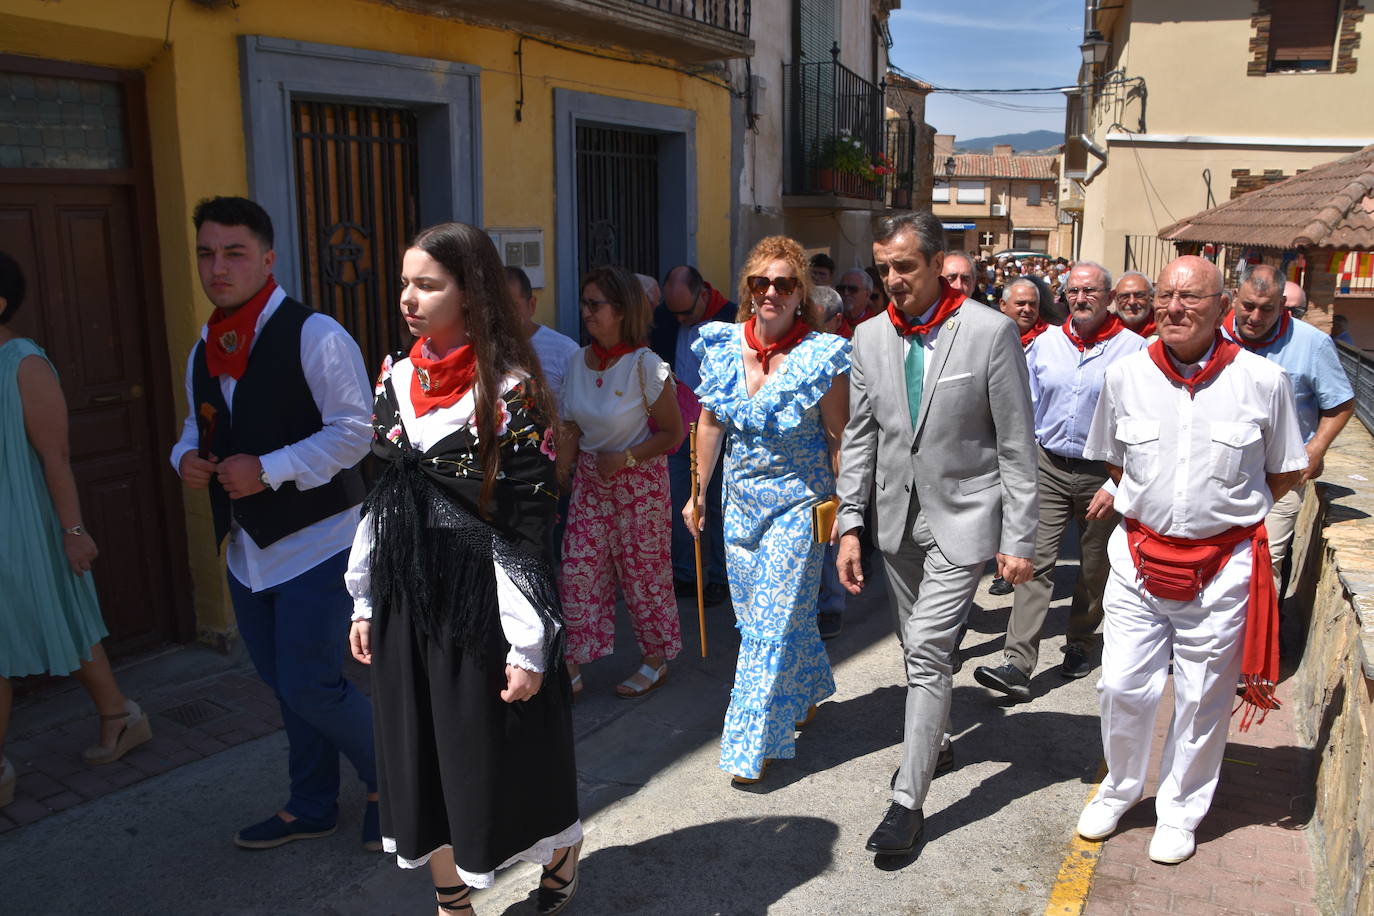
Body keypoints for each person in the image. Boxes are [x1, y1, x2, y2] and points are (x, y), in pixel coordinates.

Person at [346, 222, 581, 916]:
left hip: (480, 599)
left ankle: (560, 851)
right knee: (417, 752)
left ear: (471, 295)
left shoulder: (514, 394)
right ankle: (451, 901)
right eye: (404, 284)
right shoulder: (394, 375)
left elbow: (526, 527)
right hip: (403, 593)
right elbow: (382, 495)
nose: (408, 299)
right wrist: (362, 599)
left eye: (427, 285)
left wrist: (529, 642)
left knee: (493, 751)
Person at [1076, 255, 1306, 865]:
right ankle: (1121, 787)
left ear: (1221, 303)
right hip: (1137, 560)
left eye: (1190, 298)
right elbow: (1114, 461)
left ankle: (1179, 810)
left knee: (1204, 697)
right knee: (1122, 686)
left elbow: (1283, 471)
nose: (1173, 308)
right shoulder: (1125, 376)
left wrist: (1218, 520)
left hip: (1222, 570)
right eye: (1166, 297)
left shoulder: (1263, 381)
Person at [169, 196, 379, 850]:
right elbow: (192, 427)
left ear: (267, 258)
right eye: (206, 253)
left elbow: (356, 434)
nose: (217, 266)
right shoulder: (204, 348)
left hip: (322, 542)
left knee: (312, 684)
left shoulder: (316, 334)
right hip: (248, 551)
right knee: (287, 686)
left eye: (233, 252)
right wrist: (185, 459)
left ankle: (400, 782)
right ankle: (312, 802)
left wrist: (269, 468)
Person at [836, 211, 1037, 856]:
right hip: (895, 522)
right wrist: (849, 526)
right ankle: (939, 741)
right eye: (884, 268)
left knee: (925, 648)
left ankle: (907, 801)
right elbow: (861, 438)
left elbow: (1016, 444)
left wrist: (1020, 538)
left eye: (905, 267)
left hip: (965, 518)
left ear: (932, 264)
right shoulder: (869, 337)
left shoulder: (988, 332)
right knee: (914, 645)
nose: (892, 280)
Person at [684, 235, 850, 784]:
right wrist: (699, 492)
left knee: (770, 625)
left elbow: (840, 433)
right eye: (761, 282)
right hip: (740, 505)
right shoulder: (722, 345)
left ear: (800, 292)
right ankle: (807, 691)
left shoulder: (820, 355)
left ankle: (751, 744)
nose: (771, 292)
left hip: (800, 504)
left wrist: (846, 512)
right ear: (749, 290)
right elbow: (709, 423)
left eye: (783, 283)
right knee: (765, 617)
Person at [0, 251, 152, 810]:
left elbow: (55, 456)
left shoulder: (23, 363)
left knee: (51, 618)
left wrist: (73, 530)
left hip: (25, 523)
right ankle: (120, 714)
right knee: (68, 618)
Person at [974, 262, 1146, 700]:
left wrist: (1118, 482)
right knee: (1033, 562)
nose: (1081, 298)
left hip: (1103, 472)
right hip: (1047, 466)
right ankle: (1017, 663)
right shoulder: (1045, 344)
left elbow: (1142, 421)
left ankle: (1080, 642)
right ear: (1064, 296)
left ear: (1107, 297)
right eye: (1073, 291)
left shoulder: (1134, 350)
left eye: (1090, 291)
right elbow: (1024, 408)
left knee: (1093, 567)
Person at [560, 266, 684, 699]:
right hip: (591, 480)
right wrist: (561, 472)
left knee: (643, 576)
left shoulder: (645, 366)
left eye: (596, 304)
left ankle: (655, 660)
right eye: (585, 303)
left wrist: (628, 456)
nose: (586, 312)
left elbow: (674, 432)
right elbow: (571, 424)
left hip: (640, 481)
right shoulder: (577, 360)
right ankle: (571, 663)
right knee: (577, 572)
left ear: (621, 310)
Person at [1222, 264, 1354, 592]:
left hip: (1278, 478)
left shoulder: (1312, 343)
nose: (1254, 316)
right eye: (1248, 306)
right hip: (1215, 473)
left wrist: (1316, 448)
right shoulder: (1212, 336)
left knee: (1263, 562)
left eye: (1266, 309)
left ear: (1282, 304)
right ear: (1235, 297)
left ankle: (1260, 640)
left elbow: (1341, 403)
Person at [650, 265, 735, 607]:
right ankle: (686, 574)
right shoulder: (666, 318)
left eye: (686, 312)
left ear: (703, 294)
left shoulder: (731, 319)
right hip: (678, 423)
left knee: (716, 502)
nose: (680, 319)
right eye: (674, 313)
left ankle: (720, 577)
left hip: (719, 424)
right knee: (678, 501)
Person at [507, 267, 578, 402]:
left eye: (513, 307)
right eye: (498, 308)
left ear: (532, 305)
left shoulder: (565, 351)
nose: (504, 314)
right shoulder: (483, 351)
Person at [1000, 277, 1048, 351]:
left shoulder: (1053, 337)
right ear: (1003, 305)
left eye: (1032, 304)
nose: (1027, 309)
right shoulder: (991, 336)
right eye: (1020, 303)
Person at [834, 268, 881, 337]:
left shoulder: (877, 324)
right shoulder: (831, 320)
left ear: (867, 294)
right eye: (842, 288)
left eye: (852, 289)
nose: (846, 293)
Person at [1113, 271, 1156, 340]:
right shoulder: (1104, 330)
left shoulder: (1165, 331)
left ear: (1151, 297)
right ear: (1115, 299)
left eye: (1139, 295)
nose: (1132, 302)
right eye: (1124, 296)